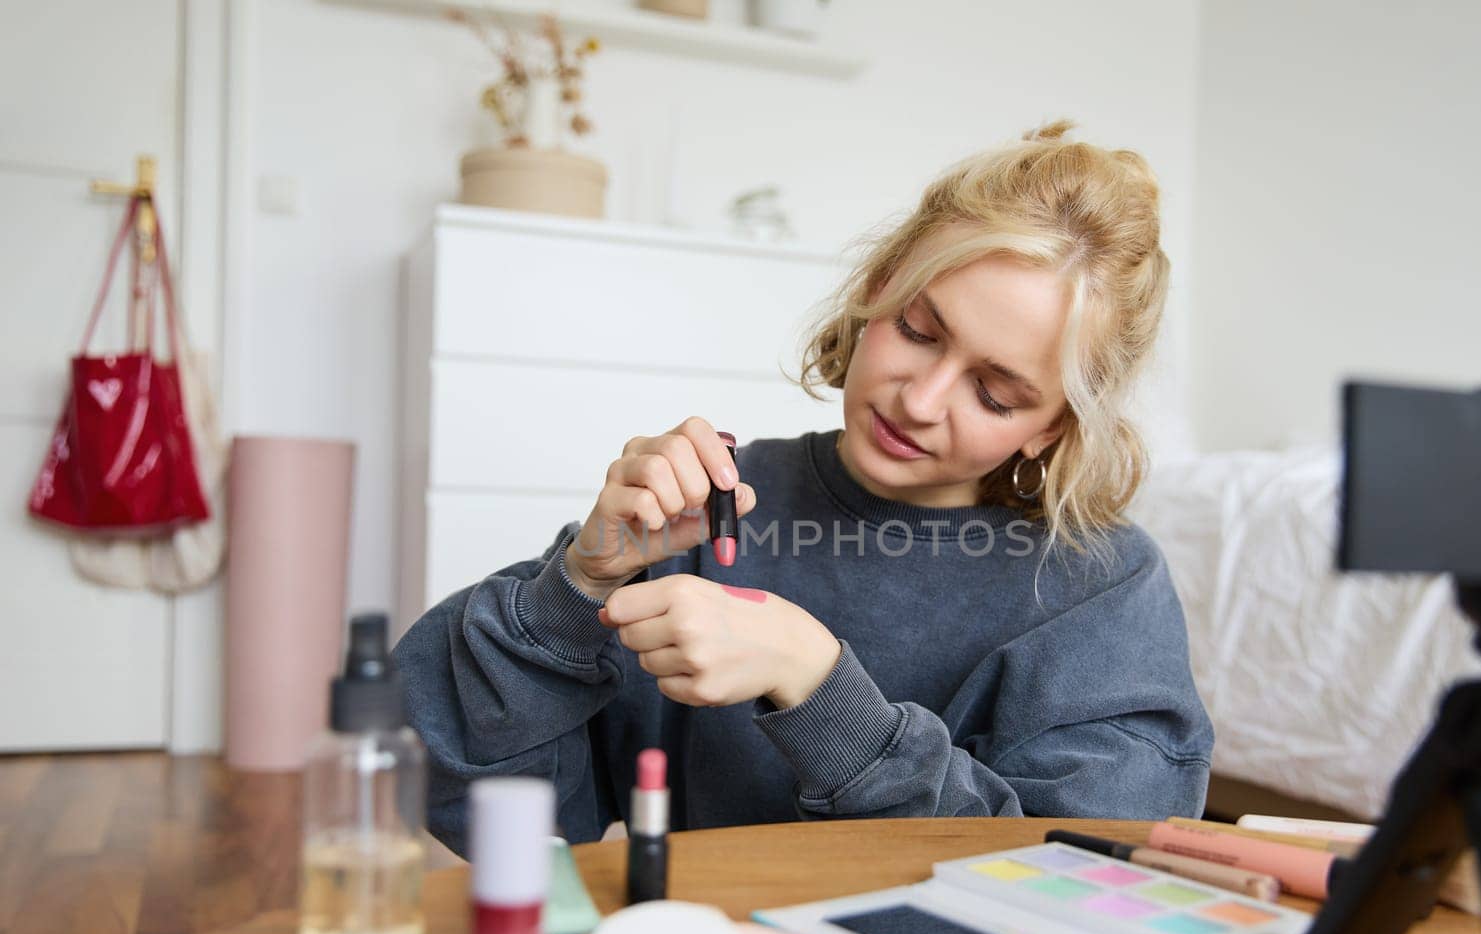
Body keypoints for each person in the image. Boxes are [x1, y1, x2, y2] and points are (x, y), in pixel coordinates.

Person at [396, 120, 1212, 854]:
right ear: (879, 286)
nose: (920, 401)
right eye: (918, 331)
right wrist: (575, 586)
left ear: (1052, 427)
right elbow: (469, 796)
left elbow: (1084, 888)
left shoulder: (1101, 587)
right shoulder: (713, 509)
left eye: (996, 393)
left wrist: (818, 685)